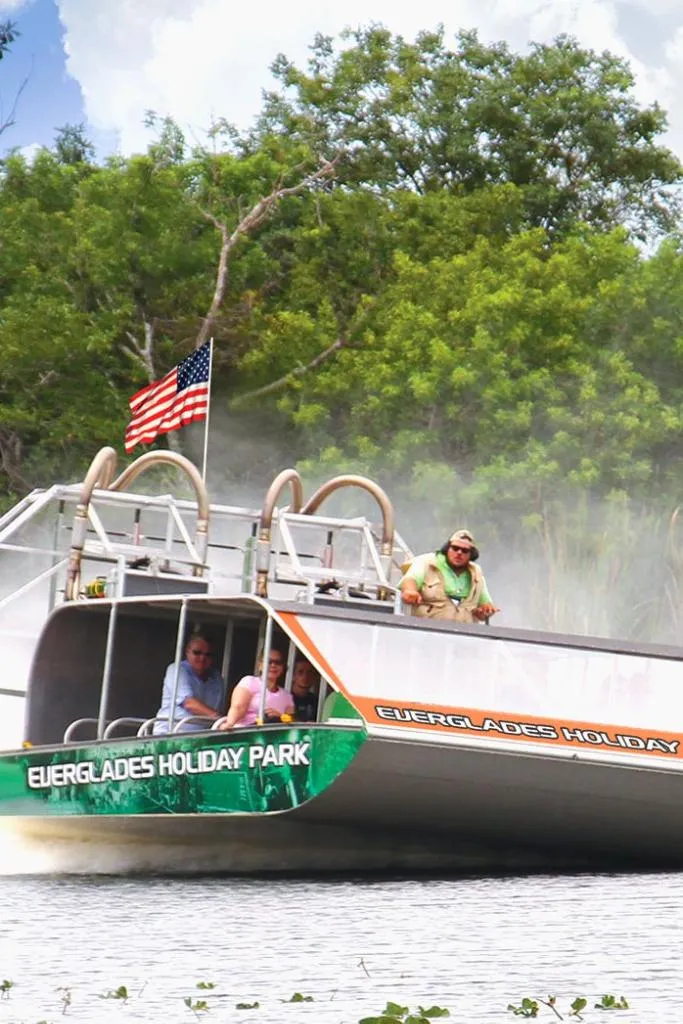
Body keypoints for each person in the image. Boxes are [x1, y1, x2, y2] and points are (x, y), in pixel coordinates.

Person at [400, 529, 499, 624]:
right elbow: (410, 579)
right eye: (455, 548)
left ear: (471, 555)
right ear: (447, 549)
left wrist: (485, 611)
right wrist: (410, 591)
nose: (459, 553)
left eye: (464, 551)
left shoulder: (476, 573)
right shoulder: (427, 562)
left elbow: (485, 604)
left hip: (464, 634)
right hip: (426, 631)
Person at [153, 631, 224, 733]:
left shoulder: (216, 677)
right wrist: (220, 719)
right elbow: (189, 703)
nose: (202, 658)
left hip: (202, 737)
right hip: (171, 734)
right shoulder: (177, 669)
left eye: (208, 654)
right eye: (197, 652)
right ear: (187, 652)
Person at [218, 649, 294, 730]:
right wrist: (230, 723)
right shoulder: (249, 682)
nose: (273, 665)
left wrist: (280, 716)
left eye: (278, 662)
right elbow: (238, 707)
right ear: (260, 665)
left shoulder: (286, 696)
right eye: (269, 661)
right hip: (246, 732)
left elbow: (292, 722)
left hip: (274, 738)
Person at [291, 657, 320, 722]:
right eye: (300, 672)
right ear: (293, 675)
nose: (305, 676)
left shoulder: (316, 701)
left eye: (309, 672)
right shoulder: (285, 698)